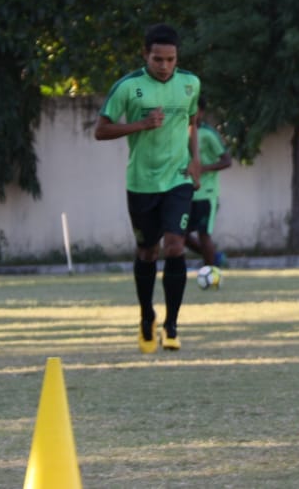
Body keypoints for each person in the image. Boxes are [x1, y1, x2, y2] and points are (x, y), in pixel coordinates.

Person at [95, 23, 201, 353]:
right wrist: (141, 124)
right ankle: (146, 316)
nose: (165, 66)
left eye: (170, 59)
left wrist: (195, 160)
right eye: (158, 59)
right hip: (141, 184)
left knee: (174, 246)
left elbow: (192, 122)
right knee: (147, 252)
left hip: (178, 179)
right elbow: (101, 130)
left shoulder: (190, 83)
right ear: (145, 55)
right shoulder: (128, 87)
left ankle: (171, 325)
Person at [185, 96, 233, 273]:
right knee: (179, 234)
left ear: (202, 112)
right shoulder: (179, 132)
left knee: (204, 235)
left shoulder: (208, 134)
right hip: (185, 192)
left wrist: (202, 168)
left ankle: (211, 272)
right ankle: (215, 257)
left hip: (206, 193)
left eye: (194, 109)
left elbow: (227, 161)